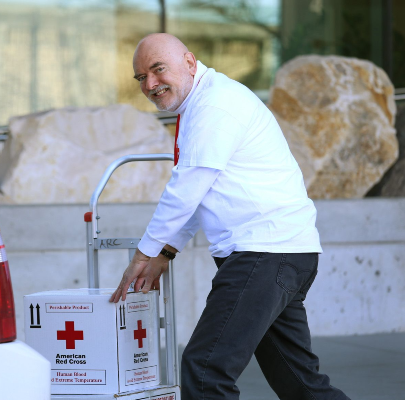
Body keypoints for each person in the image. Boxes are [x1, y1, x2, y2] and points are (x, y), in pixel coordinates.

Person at [109, 33, 351, 400]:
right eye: (141, 77)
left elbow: (187, 188)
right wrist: (165, 252)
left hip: (264, 255)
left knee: (205, 370)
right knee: (300, 385)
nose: (150, 84)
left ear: (189, 63)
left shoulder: (215, 105)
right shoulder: (204, 102)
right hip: (279, 255)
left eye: (158, 70)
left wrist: (145, 254)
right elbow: (201, 192)